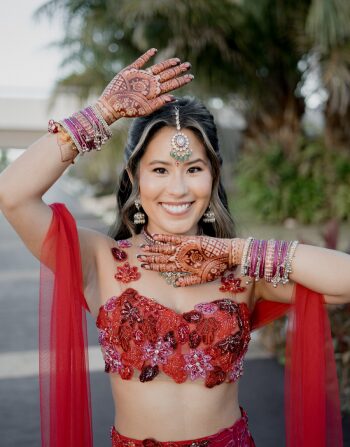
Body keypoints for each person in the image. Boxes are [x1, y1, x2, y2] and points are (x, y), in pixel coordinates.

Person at [0, 47, 349, 447]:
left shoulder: (242, 272)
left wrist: (237, 253)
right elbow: (12, 194)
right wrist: (102, 113)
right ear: (135, 177)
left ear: (214, 175)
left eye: (194, 169)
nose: (178, 189)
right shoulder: (100, 261)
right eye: (160, 170)